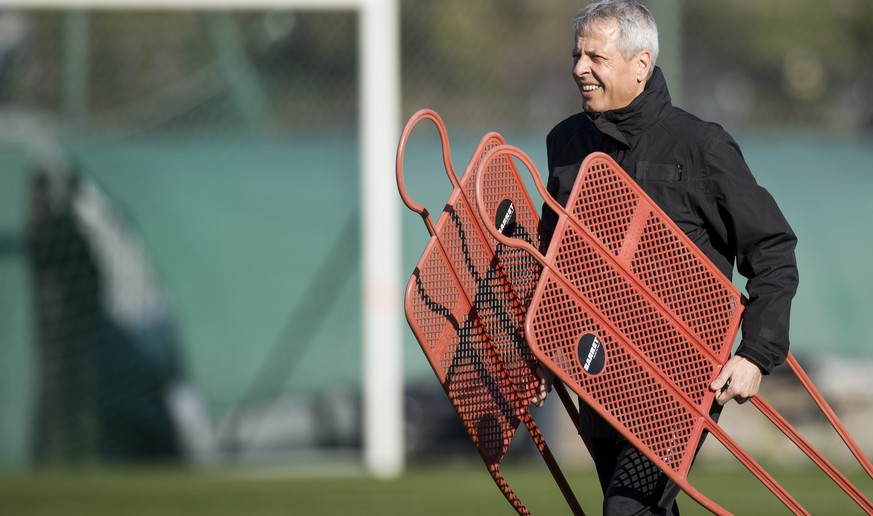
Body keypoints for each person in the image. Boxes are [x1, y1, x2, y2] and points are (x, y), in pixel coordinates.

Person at [530, 1, 799, 514]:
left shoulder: (702, 146)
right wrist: (542, 346)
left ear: (641, 63)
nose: (579, 69)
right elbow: (553, 257)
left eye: (596, 57)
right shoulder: (564, 142)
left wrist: (755, 354)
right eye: (576, 55)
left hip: (679, 376)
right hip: (600, 366)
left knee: (626, 510)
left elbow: (772, 249)